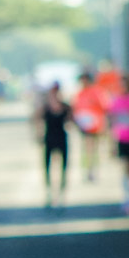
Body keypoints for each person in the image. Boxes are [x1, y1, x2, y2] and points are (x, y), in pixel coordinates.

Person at [36, 81, 72, 210]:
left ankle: (62, 193)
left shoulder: (66, 107)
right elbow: (36, 119)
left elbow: (72, 120)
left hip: (61, 138)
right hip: (49, 139)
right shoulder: (45, 108)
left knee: (63, 167)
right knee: (47, 167)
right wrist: (38, 133)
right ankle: (49, 192)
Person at [73, 71, 110, 183]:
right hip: (85, 126)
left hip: (96, 125)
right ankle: (89, 170)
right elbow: (76, 109)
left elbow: (105, 107)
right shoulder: (80, 93)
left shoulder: (97, 92)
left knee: (95, 148)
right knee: (88, 148)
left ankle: (94, 169)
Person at [108, 74, 129, 214]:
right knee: (125, 169)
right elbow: (113, 122)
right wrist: (112, 143)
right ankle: (126, 198)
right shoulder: (116, 101)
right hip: (123, 139)